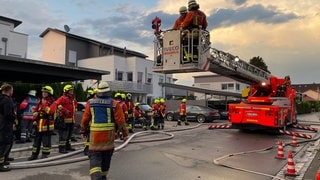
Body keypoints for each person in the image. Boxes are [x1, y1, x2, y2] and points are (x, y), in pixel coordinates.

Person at [80, 82, 128, 180]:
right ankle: (103, 177)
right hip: (108, 139)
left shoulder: (91, 103)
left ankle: (96, 178)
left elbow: (85, 120)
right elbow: (121, 121)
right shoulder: (115, 104)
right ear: (108, 91)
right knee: (106, 158)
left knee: (95, 159)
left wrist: (84, 131)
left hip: (94, 139)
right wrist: (125, 134)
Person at [28, 86, 55, 160]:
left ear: (49, 93)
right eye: (43, 92)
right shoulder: (40, 100)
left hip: (47, 124)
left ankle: (44, 155)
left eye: (45, 92)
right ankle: (34, 155)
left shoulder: (52, 102)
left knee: (46, 141)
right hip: (38, 124)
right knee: (36, 141)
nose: (44, 93)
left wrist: (44, 108)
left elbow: (50, 111)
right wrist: (34, 119)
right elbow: (35, 110)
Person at [50, 84, 77, 154]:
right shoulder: (62, 98)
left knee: (69, 135)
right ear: (66, 91)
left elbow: (75, 107)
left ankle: (68, 146)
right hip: (64, 121)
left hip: (71, 120)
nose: (72, 91)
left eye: (72, 90)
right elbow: (57, 105)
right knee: (63, 135)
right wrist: (64, 110)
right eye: (70, 90)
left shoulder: (73, 99)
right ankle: (61, 148)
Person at [0, 83, 15, 172]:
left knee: (5, 142)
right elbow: (8, 114)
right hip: (5, 125)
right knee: (4, 144)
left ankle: (5, 159)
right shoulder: (7, 100)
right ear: (9, 91)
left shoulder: (1, 99)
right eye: (12, 91)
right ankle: (1, 164)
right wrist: (14, 118)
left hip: (2, 124)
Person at [83, 88, 97, 156]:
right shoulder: (91, 102)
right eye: (96, 95)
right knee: (89, 136)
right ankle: (87, 149)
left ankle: (92, 148)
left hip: (96, 123)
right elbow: (87, 114)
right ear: (94, 95)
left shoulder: (99, 101)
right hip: (90, 122)